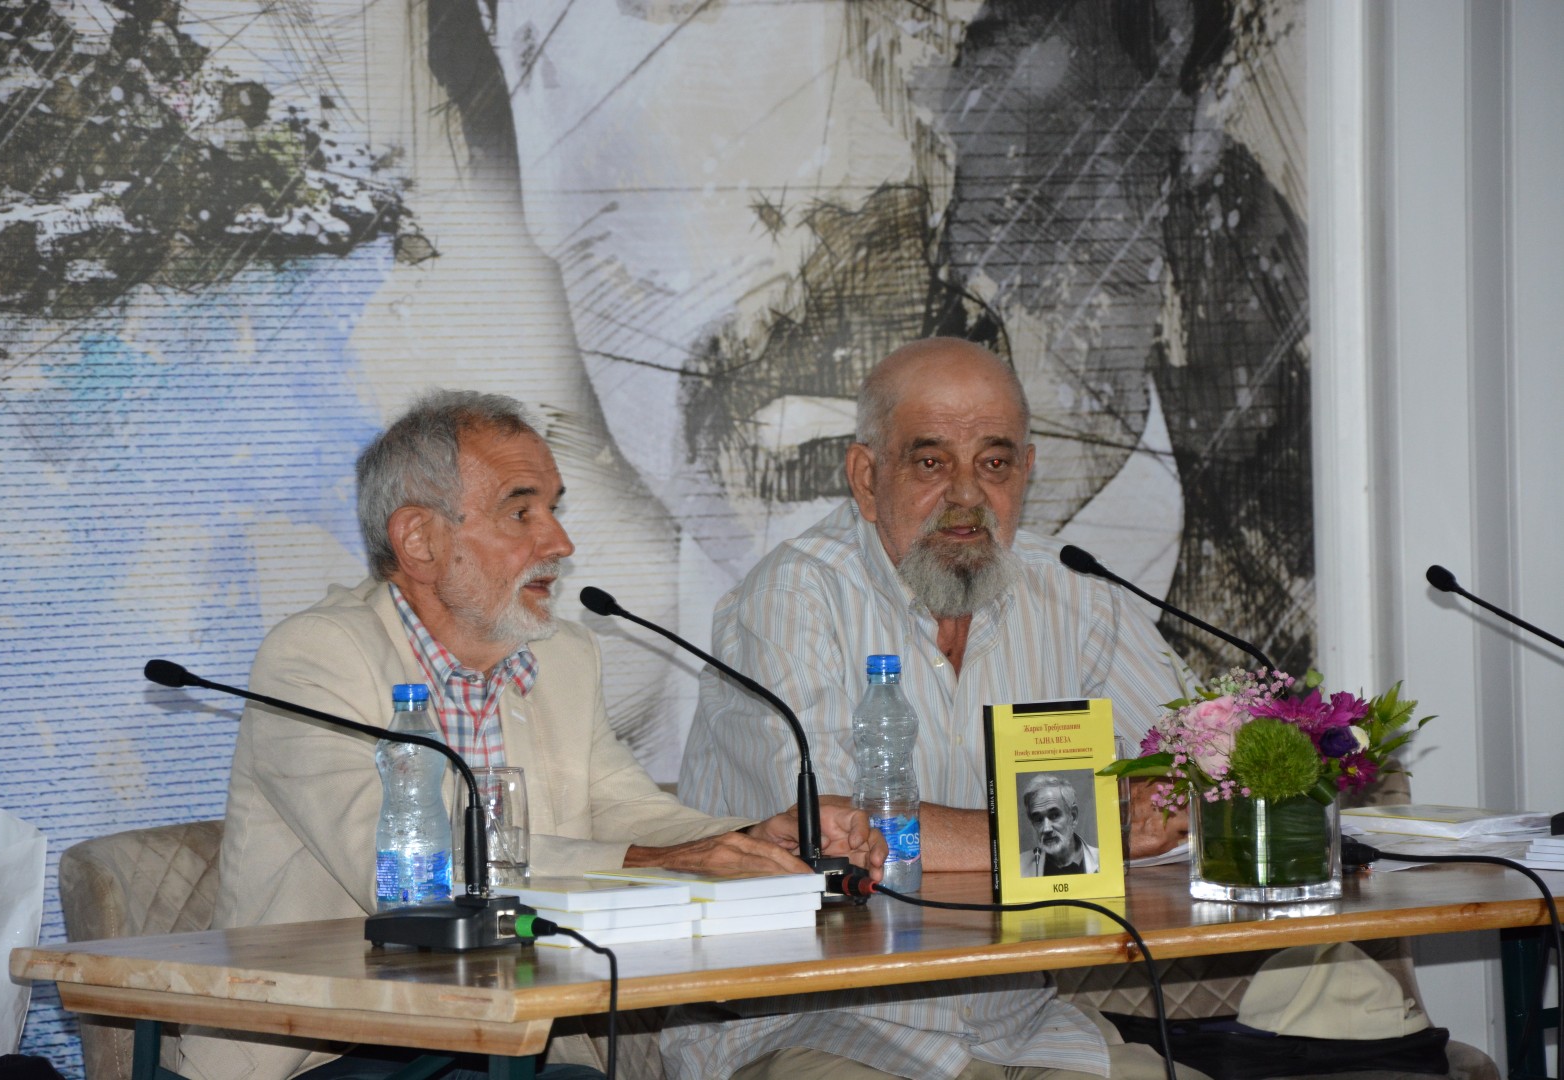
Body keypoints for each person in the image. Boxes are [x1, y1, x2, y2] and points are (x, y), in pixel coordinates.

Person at [176, 390, 884, 1080]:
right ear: (419, 539)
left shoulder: (563, 656)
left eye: (554, 508)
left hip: (522, 1036)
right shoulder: (317, 657)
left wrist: (756, 839)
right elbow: (405, 877)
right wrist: (672, 859)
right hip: (339, 1045)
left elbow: (625, 810)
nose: (560, 542)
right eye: (521, 511)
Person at [668, 338, 1199, 1080]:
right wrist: (1090, 829)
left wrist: (1167, 801)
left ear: (1027, 471)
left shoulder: (1073, 590)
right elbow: (840, 829)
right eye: (930, 462)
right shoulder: (792, 597)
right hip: (814, 1021)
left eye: (994, 462)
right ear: (866, 477)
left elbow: (1205, 760)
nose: (967, 495)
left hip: (1016, 1024)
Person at [1020, 775, 1098, 876]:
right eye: (1038, 819)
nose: (1046, 829)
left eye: (1054, 816)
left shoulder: (1103, 860)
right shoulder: (1020, 866)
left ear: (1073, 816)